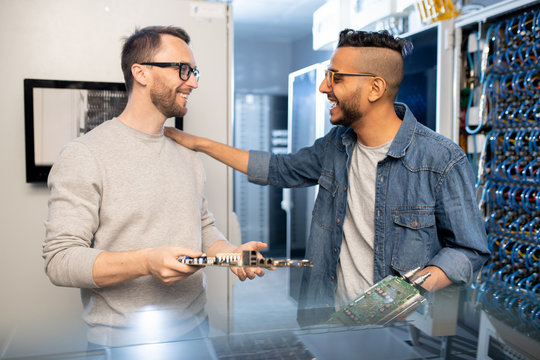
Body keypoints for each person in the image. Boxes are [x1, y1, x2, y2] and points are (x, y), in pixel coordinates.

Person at [164, 28, 491, 325]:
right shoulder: (337, 145)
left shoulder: (441, 159)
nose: (324, 87)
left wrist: (406, 292)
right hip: (328, 322)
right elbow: (281, 168)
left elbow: (469, 249)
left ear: (375, 87)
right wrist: (200, 144)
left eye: (336, 77)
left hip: (399, 332)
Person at [42, 26, 267, 347]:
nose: (193, 82)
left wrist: (230, 254)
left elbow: (202, 227)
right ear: (141, 73)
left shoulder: (187, 154)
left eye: (194, 71)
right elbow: (60, 261)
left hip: (197, 329)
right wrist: (145, 262)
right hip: (121, 345)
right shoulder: (85, 154)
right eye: (183, 70)